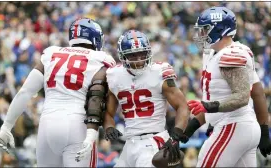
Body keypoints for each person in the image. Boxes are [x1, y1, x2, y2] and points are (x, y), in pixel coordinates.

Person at [0, 18, 116, 167]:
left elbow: (25, 92)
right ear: (95, 38)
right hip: (78, 126)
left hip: (47, 126)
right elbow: (99, 96)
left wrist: (6, 126)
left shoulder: (52, 53)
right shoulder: (101, 59)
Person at [180, 6, 265, 167]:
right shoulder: (215, 54)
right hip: (240, 126)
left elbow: (242, 96)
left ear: (220, 29)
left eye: (205, 29)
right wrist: (190, 129)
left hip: (233, 125)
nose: (201, 34)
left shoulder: (230, 55)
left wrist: (207, 106)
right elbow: (215, 101)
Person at [100, 30, 189, 167]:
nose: (139, 60)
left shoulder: (159, 72)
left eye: (142, 54)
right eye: (133, 55)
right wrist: (109, 127)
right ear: (123, 55)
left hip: (153, 140)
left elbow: (182, 105)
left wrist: (176, 134)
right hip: (129, 143)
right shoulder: (114, 75)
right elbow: (108, 112)